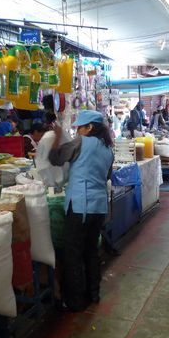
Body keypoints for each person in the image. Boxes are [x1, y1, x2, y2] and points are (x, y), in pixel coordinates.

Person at [48, 110, 114, 311]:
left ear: (90, 127)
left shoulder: (80, 143)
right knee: (91, 250)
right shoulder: (108, 149)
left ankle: (76, 302)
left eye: (80, 127)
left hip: (79, 206)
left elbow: (56, 158)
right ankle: (93, 293)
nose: (77, 131)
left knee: (73, 253)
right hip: (99, 206)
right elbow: (107, 176)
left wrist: (57, 137)